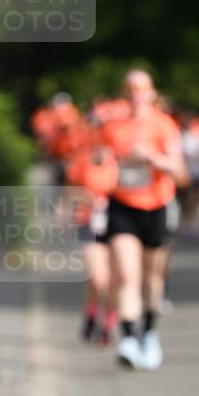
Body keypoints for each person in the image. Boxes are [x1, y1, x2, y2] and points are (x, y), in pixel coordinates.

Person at [99, 70, 187, 370]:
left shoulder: (164, 125)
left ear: (152, 92)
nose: (136, 92)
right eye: (131, 87)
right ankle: (128, 339)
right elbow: (101, 162)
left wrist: (153, 158)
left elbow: (181, 171)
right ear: (125, 93)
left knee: (152, 278)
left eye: (142, 87)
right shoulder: (113, 127)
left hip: (156, 206)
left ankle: (149, 333)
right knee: (126, 274)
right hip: (122, 205)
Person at [66, 139, 119, 346]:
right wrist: (88, 198)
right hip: (88, 222)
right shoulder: (82, 160)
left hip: (116, 224)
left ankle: (108, 322)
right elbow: (70, 189)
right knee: (98, 278)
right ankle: (91, 313)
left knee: (115, 279)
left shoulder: (119, 163)